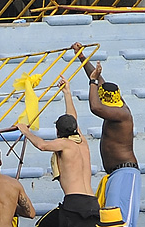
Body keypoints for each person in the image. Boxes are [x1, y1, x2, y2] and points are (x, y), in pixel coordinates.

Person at [72, 43, 140, 227]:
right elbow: (100, 80)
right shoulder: (114, 100)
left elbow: (95, 106)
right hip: (114, 174)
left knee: (121, 222)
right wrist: (81, 57)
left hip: (125, 174)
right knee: (110, 223)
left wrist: (92, 82)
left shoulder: (121, 113)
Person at [17, 76, 100, 227]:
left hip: (75, 204)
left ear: (57, 131)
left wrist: (25, 131)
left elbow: (42, 145)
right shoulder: (82, 141)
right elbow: (73, 118)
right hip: (93, 204)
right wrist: (67, 93)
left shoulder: (64, 144)